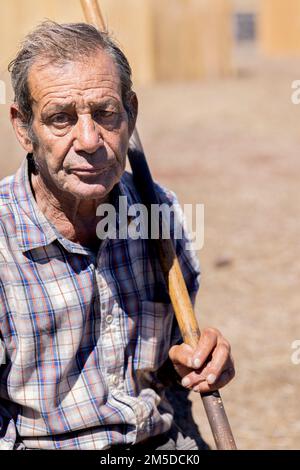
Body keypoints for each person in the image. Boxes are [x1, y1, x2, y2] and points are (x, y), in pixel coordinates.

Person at [0, 21, 235, 450]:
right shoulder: (3, 238)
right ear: (23, 128)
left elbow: (167, 375)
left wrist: (191, 361)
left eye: (106, 113)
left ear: (131, 112)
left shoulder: (157, 213)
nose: (90, 140)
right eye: (60, 119)